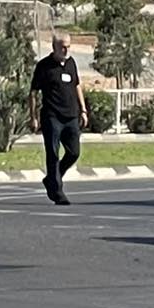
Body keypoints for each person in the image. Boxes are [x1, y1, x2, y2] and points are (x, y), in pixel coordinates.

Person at [29, 33, 89, 206]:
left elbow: (77, 85)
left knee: (74, 152)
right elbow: (33, 92)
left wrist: (83, 110)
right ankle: (57, 191)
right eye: (62, 46)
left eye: (68, 46)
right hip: (52, 116)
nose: (66, 49)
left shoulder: (71, 63)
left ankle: (51, 179)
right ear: (54, 47)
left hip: (71, 115)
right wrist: (33, 117)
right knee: (53, 153)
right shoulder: (44, 66)